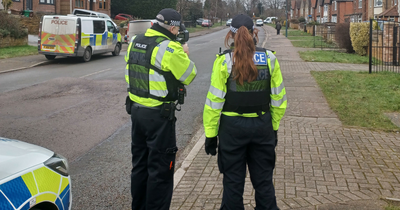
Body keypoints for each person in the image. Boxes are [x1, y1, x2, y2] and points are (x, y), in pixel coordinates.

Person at [203, 14, 287, 210]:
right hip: (262, 126)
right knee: (264, 182)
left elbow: (214, 102)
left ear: (230, 34)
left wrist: (210, 135)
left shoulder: (223, 61)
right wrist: (273, 128)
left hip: (232, 130)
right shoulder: (269, 58)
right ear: (254, 32)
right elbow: (279, 99)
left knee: (232, 182)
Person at [124, 8, 197, 210]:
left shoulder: (135, 42)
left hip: (136, 113)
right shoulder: (169, 48)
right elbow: (190, 75)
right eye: (177, 30)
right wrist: (185, 54)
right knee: (161, 171)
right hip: (158, 117)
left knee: (139, 167)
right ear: (172, 27)